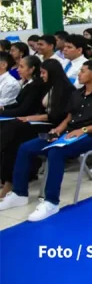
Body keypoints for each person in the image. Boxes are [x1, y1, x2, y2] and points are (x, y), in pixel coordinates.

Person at [0, 61, 92, 222]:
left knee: (56, 152)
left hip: (90, 136)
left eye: (83, 71)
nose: (79, 74)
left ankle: (51, 201)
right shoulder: (77, 93)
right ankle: (19, 193)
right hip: (68, 133)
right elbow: (69, 117)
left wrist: (84, 130)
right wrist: (58, 130)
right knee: (26, 148)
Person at [0, 56, 48, 197]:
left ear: (32, 69)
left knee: (12, 135)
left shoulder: (37, 85)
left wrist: (4, 111)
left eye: (22, 67)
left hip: (37, 123)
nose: (18, 70)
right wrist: (3, 109)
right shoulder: (27, 83)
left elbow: (24, 110)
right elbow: (18, 104)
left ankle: (10, 180)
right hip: (27, 119)